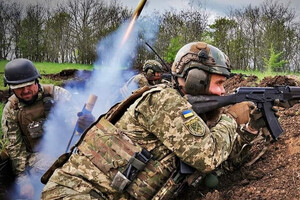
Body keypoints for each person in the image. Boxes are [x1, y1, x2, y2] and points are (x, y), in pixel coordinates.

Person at [41, 42, 269, 199]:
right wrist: (230, 119)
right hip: (78, 193)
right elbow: (208, 157)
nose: (222, 92)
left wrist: (250, 128)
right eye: (219, 84)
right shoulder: (163, 100)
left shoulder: (193, 113)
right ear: (195, 80)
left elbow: (221, 164)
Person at [1, 58, 94, 199]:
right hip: (35, 156)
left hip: (67, 146)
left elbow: (73, 117)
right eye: (19, 88)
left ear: (36, 81)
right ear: (11, 87)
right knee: (54, 168)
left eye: (29, 85)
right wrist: (23, 181)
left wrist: (83, 122)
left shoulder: (56, 94)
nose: (25, 91)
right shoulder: (11, 110)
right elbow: (16, 149)